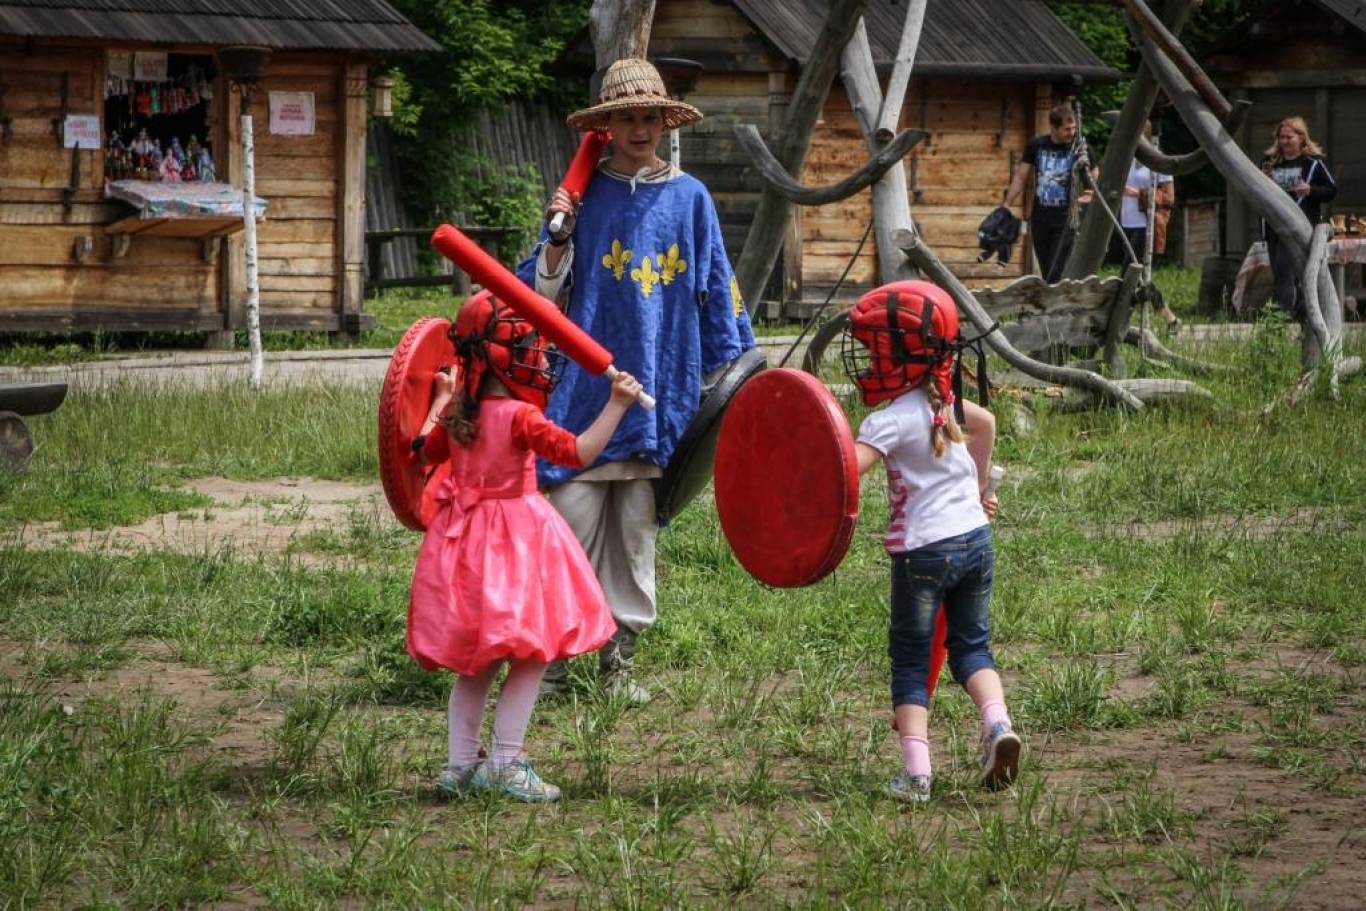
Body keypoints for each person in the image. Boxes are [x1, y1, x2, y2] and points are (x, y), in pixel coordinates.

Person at [518, 58, 756, 703]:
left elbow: (716, 286)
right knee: (567, 526)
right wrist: (559, 237)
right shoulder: (581, 198)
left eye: (650, 116)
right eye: (627, 117)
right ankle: (560, 657)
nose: (640, 128)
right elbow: (538, 293)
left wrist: (730, 376)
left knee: (635, 537)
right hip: (586, 390)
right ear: (606, 126)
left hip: (659, 386)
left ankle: (619, 659)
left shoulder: (691, 198)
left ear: (664, 122)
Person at [406, 291, 643, 802]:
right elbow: (578, 452)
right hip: (515, 548)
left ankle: (459, 767)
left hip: (464, 549)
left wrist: (441, 401)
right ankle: (506, 763)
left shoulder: (458, 417)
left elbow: (421, 449)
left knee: (477, 661)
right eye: (532, 345)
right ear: (509, 355)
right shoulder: (518, 416)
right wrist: (617, 405)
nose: (539, 355)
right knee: (531, 655)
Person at [842, 279, 1019, 804]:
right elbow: (985, 426)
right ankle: (997, 727)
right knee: (971, 649)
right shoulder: (945, 400)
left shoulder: (888, 419)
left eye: (874, 351)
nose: (868, 363)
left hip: (923, 554)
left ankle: (917, 776)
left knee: (912, 663)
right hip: (976, 541)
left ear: (899, 355)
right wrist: (979, 486)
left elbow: (846, 472)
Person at [1003, 103, 1094, 283]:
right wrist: (1007, 204)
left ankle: (1055, 310)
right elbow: (1021, 177)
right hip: (1040, 218)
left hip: (1066, 219)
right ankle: (1054, 307)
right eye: (1067, 129)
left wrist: (1091, 193)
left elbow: (1095, 177)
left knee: (1056, 269)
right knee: (1046, 269)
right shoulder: (1037, 145)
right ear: (1053, 127)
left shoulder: (1080, 148)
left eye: (1074, 128)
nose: (1072, 133)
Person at [1260, 116, 1337, 319]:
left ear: (1302, 138)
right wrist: (1264, 181)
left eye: (1289, 137)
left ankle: (1279, 319)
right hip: (1273, 225)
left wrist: (1310, 189)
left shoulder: (1314, 164)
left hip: (1299, 225)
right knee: (1280, 272)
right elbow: (1256, 190)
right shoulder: (1269, 163)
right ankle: (1301, 313)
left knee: (1286, 272)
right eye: (1281, 137)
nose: (1285, 141)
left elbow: (1331, 190)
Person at [1121, 145, 1181, 335]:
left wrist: (1138, 193)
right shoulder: (1127, 155)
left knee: (1129, 276)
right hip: (1126, 222)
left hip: (1145, 225)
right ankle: (1171, 319)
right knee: (1137, 279)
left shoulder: (1157, 160)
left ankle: (1118, 322)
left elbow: (1169, 198)